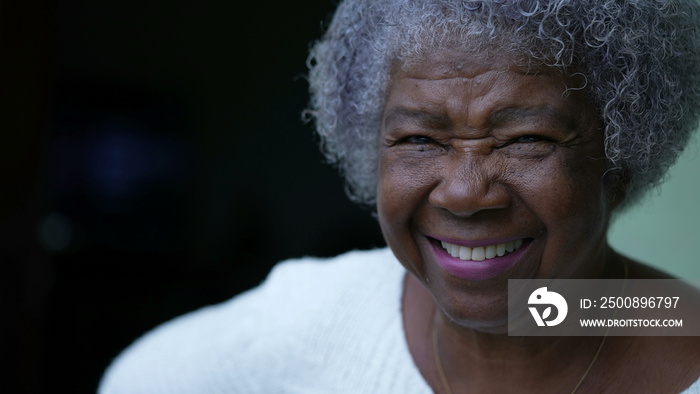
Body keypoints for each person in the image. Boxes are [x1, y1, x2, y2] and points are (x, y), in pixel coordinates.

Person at [99, 1, 700, 392]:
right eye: (419, 138)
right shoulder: (313, 320)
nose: (465, 194)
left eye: (526, 139)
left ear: (619, 161)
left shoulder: (674, 333)